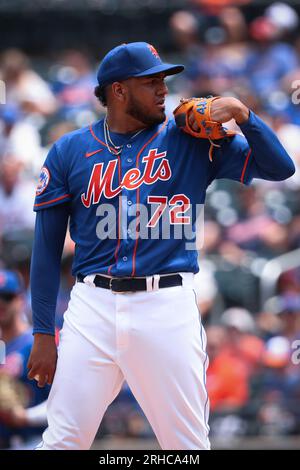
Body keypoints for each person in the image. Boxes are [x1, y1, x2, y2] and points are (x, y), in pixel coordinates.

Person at [27, 41, 295, 450]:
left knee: (186, 446)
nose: (163, 90)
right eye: (150, 81)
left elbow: (281, 168)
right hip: (91, 306)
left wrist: (243, 114)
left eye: (163, 80)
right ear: (118, 91)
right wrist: (44, 332)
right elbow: (45, 249)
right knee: (63, 440)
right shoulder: (69, 150)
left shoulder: (190, 137)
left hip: (166, 304)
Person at [0, 270, 49, 449]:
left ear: (20, 299)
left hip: (36, 441)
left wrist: (25, 416)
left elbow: (65, 402)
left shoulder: (41, 343)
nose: (1, 303)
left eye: (6, 296)